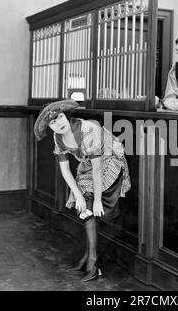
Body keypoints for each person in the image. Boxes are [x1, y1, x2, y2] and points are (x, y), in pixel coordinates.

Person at [34, 100, 131, 282]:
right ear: (50, 126)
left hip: (110, 159)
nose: (58, 123)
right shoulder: (58, 138)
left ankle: (92, 261)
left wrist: (96, 200)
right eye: (52, 122)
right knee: (83, 204)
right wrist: (77, 195)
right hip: (89, 164)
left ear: (66, 116)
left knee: (89, 204)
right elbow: (65, 170)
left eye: (60, 117)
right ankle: (89, 258)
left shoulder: (87, 130)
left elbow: (96, 169)